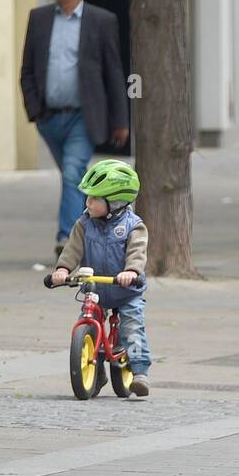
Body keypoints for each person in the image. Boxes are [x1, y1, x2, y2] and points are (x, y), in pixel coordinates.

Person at [20, 0, 131, 258]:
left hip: (84, 116)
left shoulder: (101, 21)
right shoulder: (40, 19)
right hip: (49, 118)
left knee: (71, 173)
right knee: (77, 179)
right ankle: (101, 230)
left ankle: (65, 239)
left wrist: (121, 119)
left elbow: (113, 72)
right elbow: (27, 69)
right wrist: (35, 111)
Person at [50, 159, 151, 397]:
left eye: (94, 198)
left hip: (125, 290)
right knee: (88, 321)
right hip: (95, 288)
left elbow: (137, 252)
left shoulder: (133, 226)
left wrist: (132, 272)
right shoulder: (85, 223)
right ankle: (96, 369)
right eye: (88, 197)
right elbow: (73, 248)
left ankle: (139, 372)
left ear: (115, 200)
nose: (88, 203)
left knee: (131, 326)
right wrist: (63, 270)